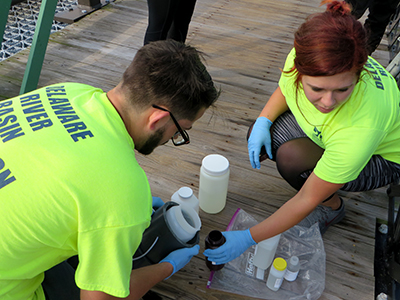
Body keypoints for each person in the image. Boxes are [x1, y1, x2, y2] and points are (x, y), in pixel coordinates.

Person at [0, 40, 219, 300]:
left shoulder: (70, 91)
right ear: (158, 119)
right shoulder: (124, 189)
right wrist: (165, 267)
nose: (172, 139)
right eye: (180, 130)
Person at [204, 0, 400, 266]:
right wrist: (263, 121)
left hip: (382, 158)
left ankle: (332, 208)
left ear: (359, 74)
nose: (328, 102)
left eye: (342, 89)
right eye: (317, 89)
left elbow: (307, 197)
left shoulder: (363, 124)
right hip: (336, 133)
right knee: (265, 134)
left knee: (291, 159)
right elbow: (287, 88)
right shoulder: (302, 55)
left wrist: (248, 238)